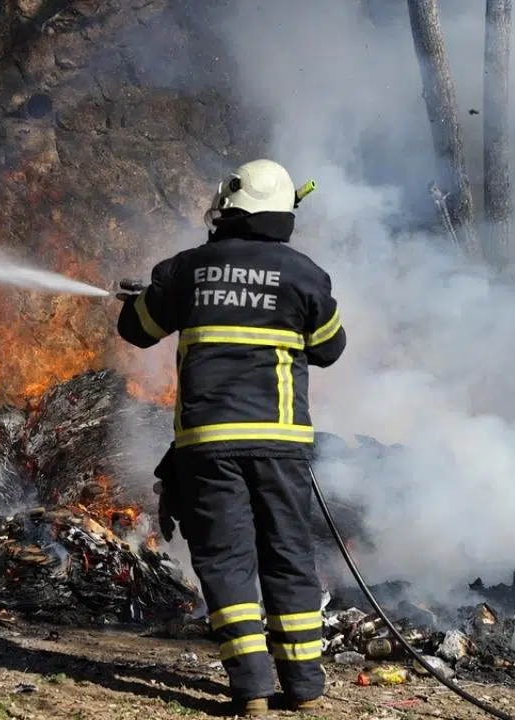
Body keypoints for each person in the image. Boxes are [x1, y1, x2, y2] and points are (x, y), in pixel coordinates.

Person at [117, 159, 347, 716]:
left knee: (225, 560)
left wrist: (144, 297)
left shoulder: (188, 269)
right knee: (289, 555)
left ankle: (251, 691)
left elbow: (137, 330)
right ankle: (306, 688)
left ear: (230, 207)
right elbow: (329, 348)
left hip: (209, 444)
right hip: (280, 443)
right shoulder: (304, 274)